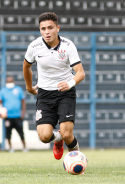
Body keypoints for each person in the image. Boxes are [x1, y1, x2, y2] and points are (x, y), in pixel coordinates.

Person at [23, 12, 85, 160]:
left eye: (50, 28)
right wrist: (29, 87)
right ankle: (58, 140)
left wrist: (69, 83)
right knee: (44, 136)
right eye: (43, 28)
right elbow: (26, 66)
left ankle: (77, 160)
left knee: (67, 133)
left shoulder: (68, 46)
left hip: (65, 93)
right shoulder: (34, 46)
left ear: (57, 28)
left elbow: (81, 73)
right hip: (44, 94)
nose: (46, 32)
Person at [0, 76, 27, 153]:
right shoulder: (3, 91)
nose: (10, 83)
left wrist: (23, 113)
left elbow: (23, 101)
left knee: (21, 133)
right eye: (8, 82)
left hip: (17, 116)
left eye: (11, 81)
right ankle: (10, 148)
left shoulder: (18, 89)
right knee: (8, 133)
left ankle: (24, 147)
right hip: (7, 116)